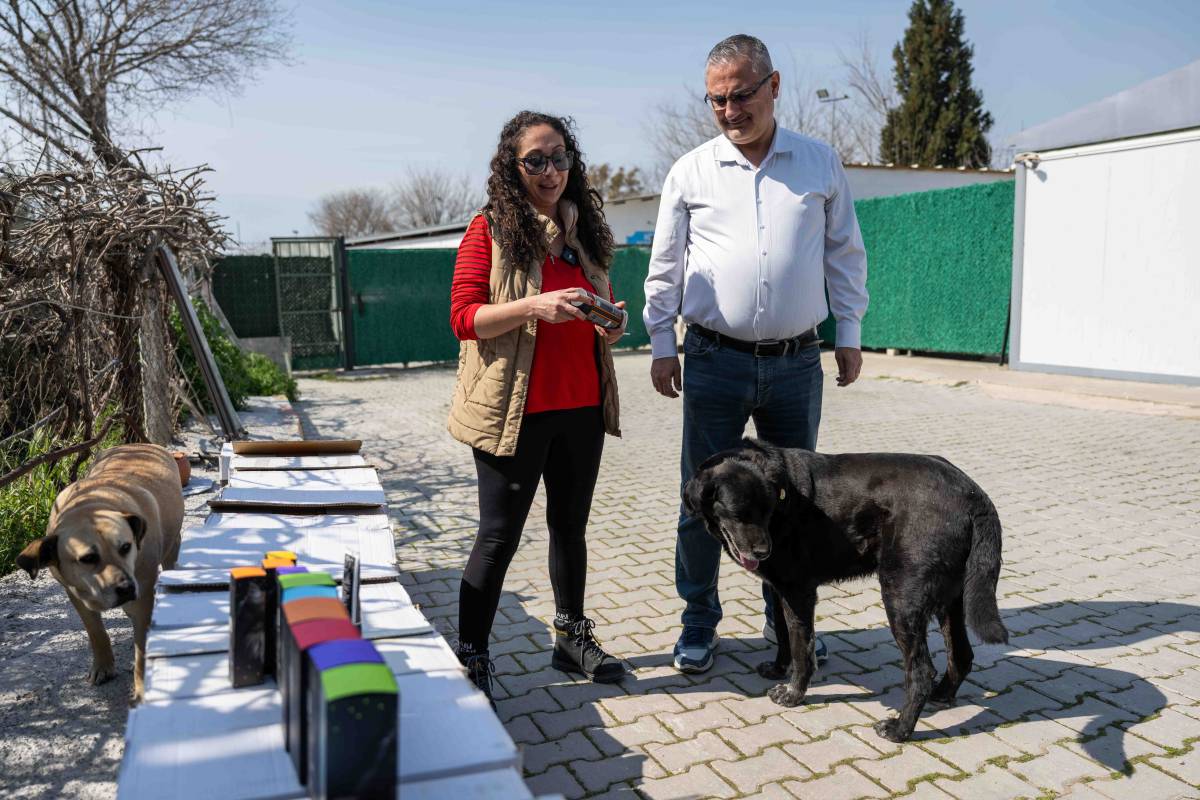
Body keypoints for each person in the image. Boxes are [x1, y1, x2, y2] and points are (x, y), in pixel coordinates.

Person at [643, 35, 869, 674]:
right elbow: (665, 266)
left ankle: (789, 628)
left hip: (797, 363)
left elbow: (844, 253)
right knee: (702, 501)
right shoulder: (690, 170)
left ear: (773, 86)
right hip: (714, 362)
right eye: (716, 99)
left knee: (798, 502)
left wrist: (847, 332)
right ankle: (698, 624)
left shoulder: (819, 163)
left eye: (741, 94)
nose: (729, 109)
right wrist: (663, 343)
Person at [447, 110, 629, 706]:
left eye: (559, 159)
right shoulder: (490, 229)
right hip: (514, 410)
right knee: (498, 537)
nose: (550, 172)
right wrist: (535, 306)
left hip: (581, 405)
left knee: (569, 528)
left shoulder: (584, 231)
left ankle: (572, 637)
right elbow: (464, 318)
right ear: (512, 165)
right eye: (536, 161)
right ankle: (472, 653)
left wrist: (609, 319)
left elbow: (591, 304)